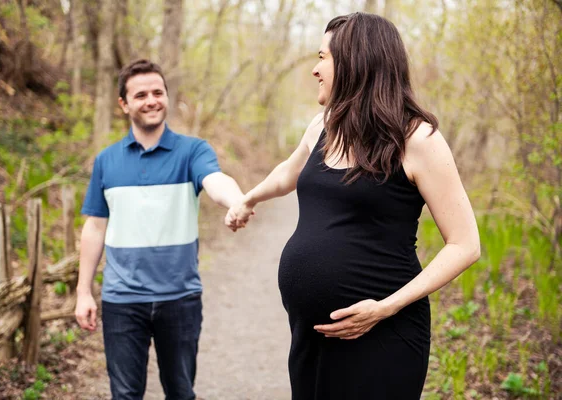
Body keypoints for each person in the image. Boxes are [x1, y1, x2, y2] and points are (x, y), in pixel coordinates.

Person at [226, 13, 480, 399]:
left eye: (323, 57)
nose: (314, 69)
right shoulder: (323, 126)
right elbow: (288, 173)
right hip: (310, 334)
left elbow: (465, 244)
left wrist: (384, 308)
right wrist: (249, 198)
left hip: (382, 335)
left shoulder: (417, 139)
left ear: (355, 61)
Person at [75, 59, 246, 400]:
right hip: (122, 300)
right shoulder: (106, 161)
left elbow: (215, 181)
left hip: (179, 298)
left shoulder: (192, 151)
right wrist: (83, 292)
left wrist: (237, 200)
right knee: (125, 395)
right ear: (124, 104)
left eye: (158, 92)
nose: (152, 100)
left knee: (181, 392)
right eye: (141, 95)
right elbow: (94, 227)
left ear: (167, 96)